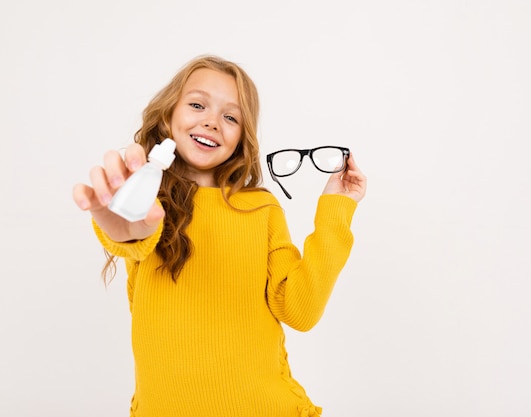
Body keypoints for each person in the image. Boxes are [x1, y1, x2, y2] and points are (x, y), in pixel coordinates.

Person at [72, 54, 367, 417]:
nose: (212, 122)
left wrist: (337, 208)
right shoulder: (146, 200)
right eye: (197, 105)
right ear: (168, 117)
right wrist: (127, 228)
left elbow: (300, 309)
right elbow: (131, 235)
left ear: (243, 137)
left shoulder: (260, 208)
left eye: (231, 117)